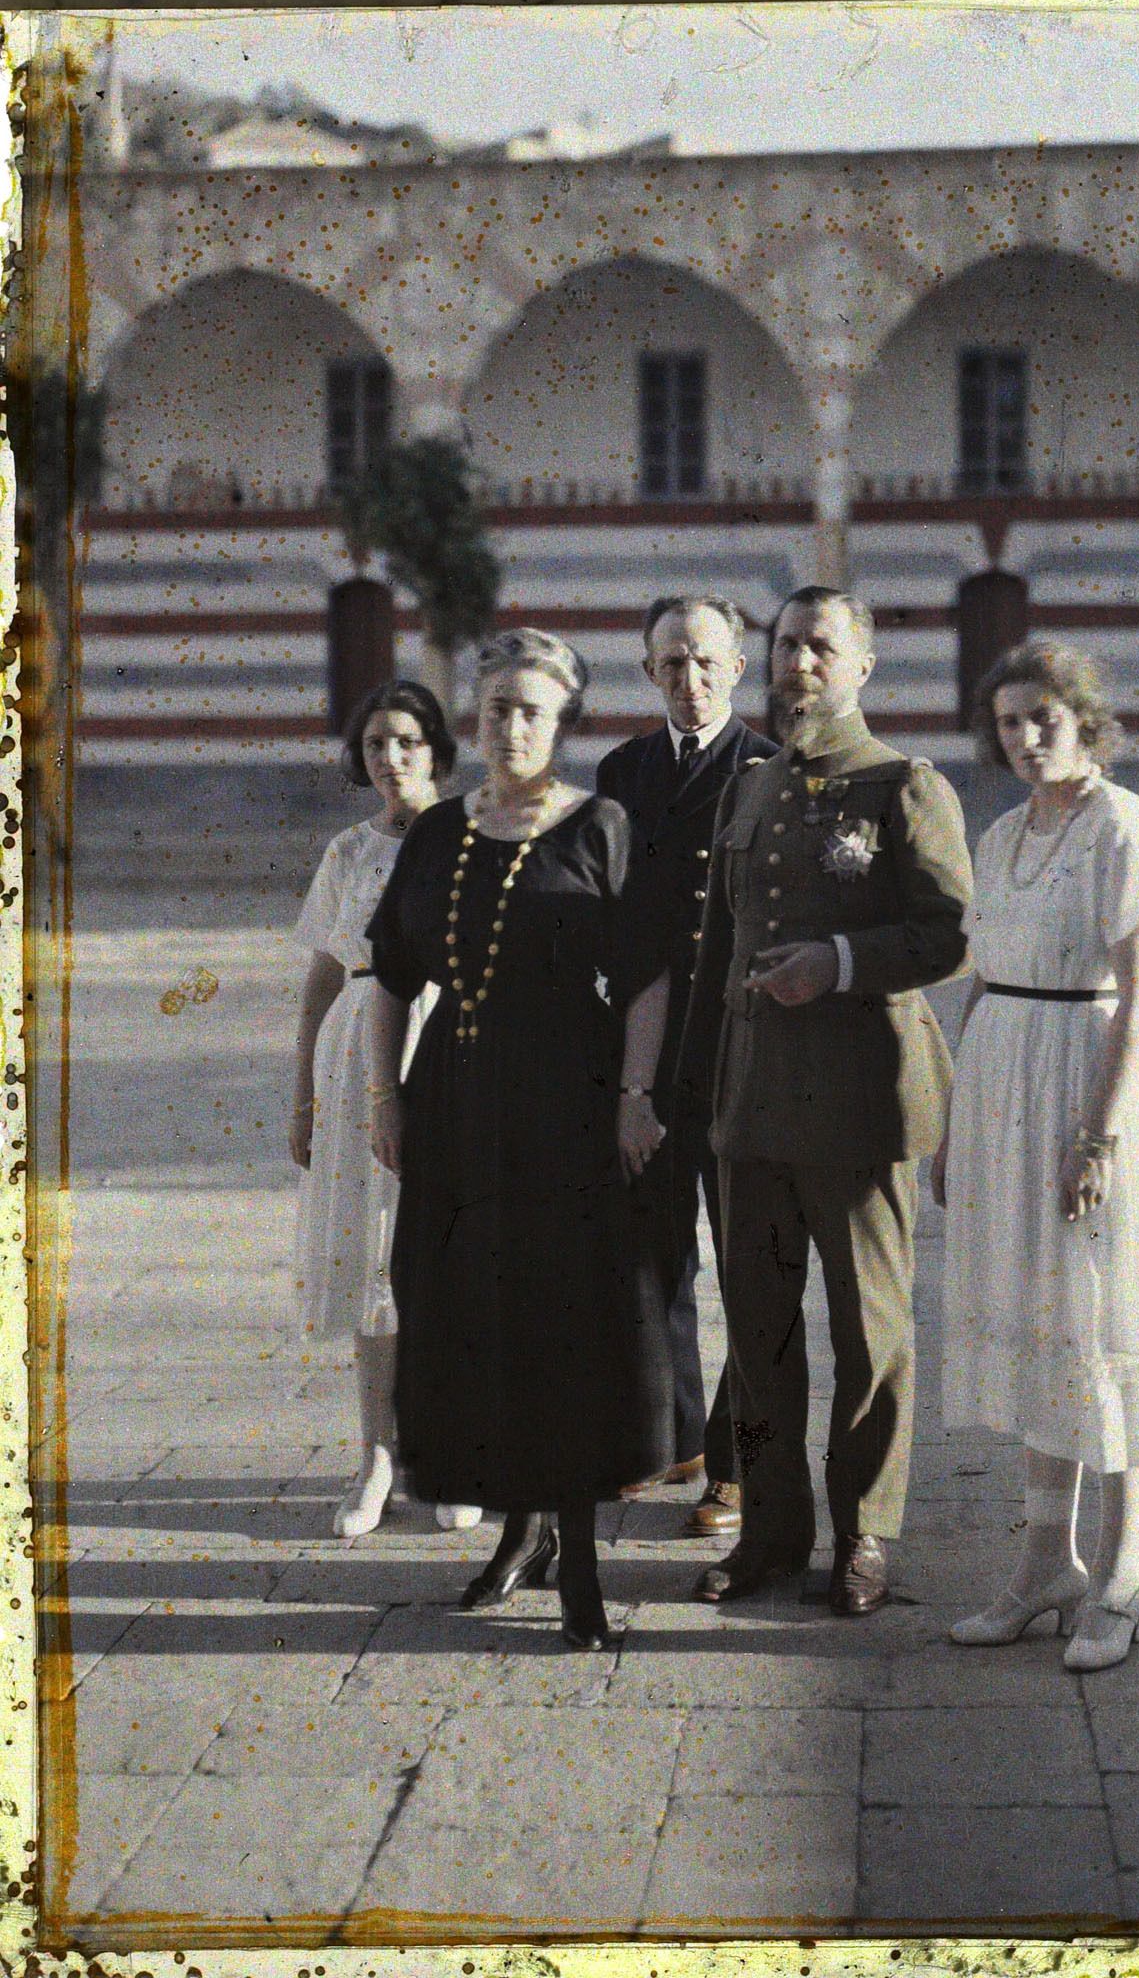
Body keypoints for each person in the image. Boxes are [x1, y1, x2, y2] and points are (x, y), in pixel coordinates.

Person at [367, 629, 673, 1651]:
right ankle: (519, 1531)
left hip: (567, 1105)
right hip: (451, 1102)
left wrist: (635, 1095)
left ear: (563, 721)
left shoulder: (602, 826)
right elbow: (390, 971)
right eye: (496, 708)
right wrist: (384, 1095)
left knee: (564, 1325)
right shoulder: (438, 829)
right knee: (470, 1313)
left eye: (531, 710)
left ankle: (578, 1559)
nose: (510, 726)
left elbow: (646, 976)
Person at [680, 586, 974, 1616]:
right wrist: (694, 1092)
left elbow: (948, 934)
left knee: (869, 1331)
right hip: (752, 1107)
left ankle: (865, 1536)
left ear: (862, 666)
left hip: (858, 1109)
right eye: (786, 645)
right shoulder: (749, 788)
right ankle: (770, 1532)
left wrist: (842, 960)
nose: (798, 663)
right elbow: (716, 950)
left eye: (820, 646)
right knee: (758, 1333)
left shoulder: (904, 785)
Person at [933, 642, 1139, 1672]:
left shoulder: (1122, 826)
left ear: (1085, 721)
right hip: (1004, 1079)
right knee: (1039, 1316)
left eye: (1043, 717)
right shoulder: (1002, 832)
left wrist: (1094, 1133)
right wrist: (958, 1119)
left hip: (1088, 1086)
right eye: (1008, 721)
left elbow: (1138, 995)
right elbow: (982, 976)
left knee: (1103, 1317)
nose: (1025, 736)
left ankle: (1122, 1568)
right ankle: (1043, 1560)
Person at [596, 595, 777, 1537]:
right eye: (670, 663)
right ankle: (670, 1437)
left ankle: (735, 1464)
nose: (688, 679)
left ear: (738, 669)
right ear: (648, 672)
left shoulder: (769, 769)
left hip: (740, 1054)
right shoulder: (621, 770)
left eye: (705, 662)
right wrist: (629, 1083)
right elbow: (622, 928)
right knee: (648, 1253)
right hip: (646, 1045)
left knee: (742, 1259)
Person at [288, 678, 484, 1539]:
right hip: (354, 1057)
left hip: (448, 1048)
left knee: (448, 1256)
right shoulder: (347, 853)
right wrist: (302, 1091)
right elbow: (325, 975)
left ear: (436, 749)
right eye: (375, 745)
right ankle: (376, 1459)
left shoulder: (476, 835)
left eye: (406, 741)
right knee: (373, 1262)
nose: (391, 758)